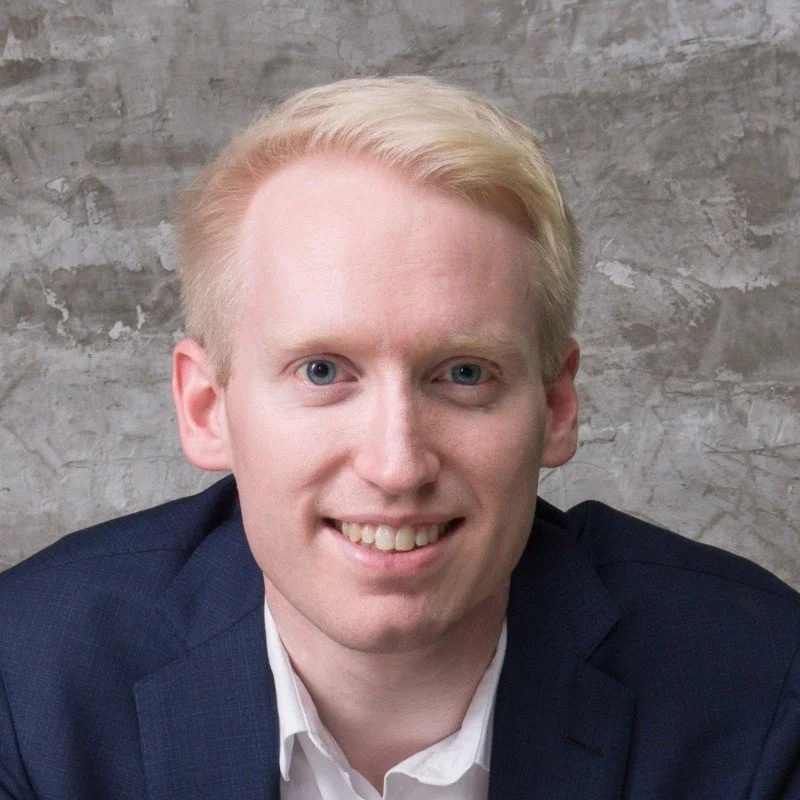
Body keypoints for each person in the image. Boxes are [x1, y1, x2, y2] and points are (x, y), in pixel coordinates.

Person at [0, 76, 798, 800]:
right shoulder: (27, 684)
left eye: (464, 374)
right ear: (207, 408)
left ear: (556, 406)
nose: (397, 466)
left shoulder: (763, 685)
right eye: (322, 371)